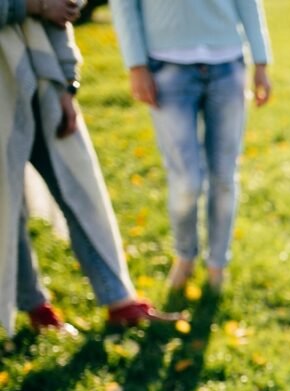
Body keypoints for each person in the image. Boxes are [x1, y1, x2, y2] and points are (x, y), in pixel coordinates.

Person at [0, 0, 177, 335]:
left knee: (82, 187)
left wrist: (68, 84)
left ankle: (119, 300)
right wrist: (36, 6)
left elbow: (61, 13)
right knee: (6, 207)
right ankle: (33, 306)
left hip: (44, 80)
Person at [110, 0, 272, 293]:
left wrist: (261, 61)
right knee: (186, 181)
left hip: (228, 64)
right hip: (165, 68)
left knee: (224, 177)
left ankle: (217, 265)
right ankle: (185, 257)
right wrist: (136, 64)